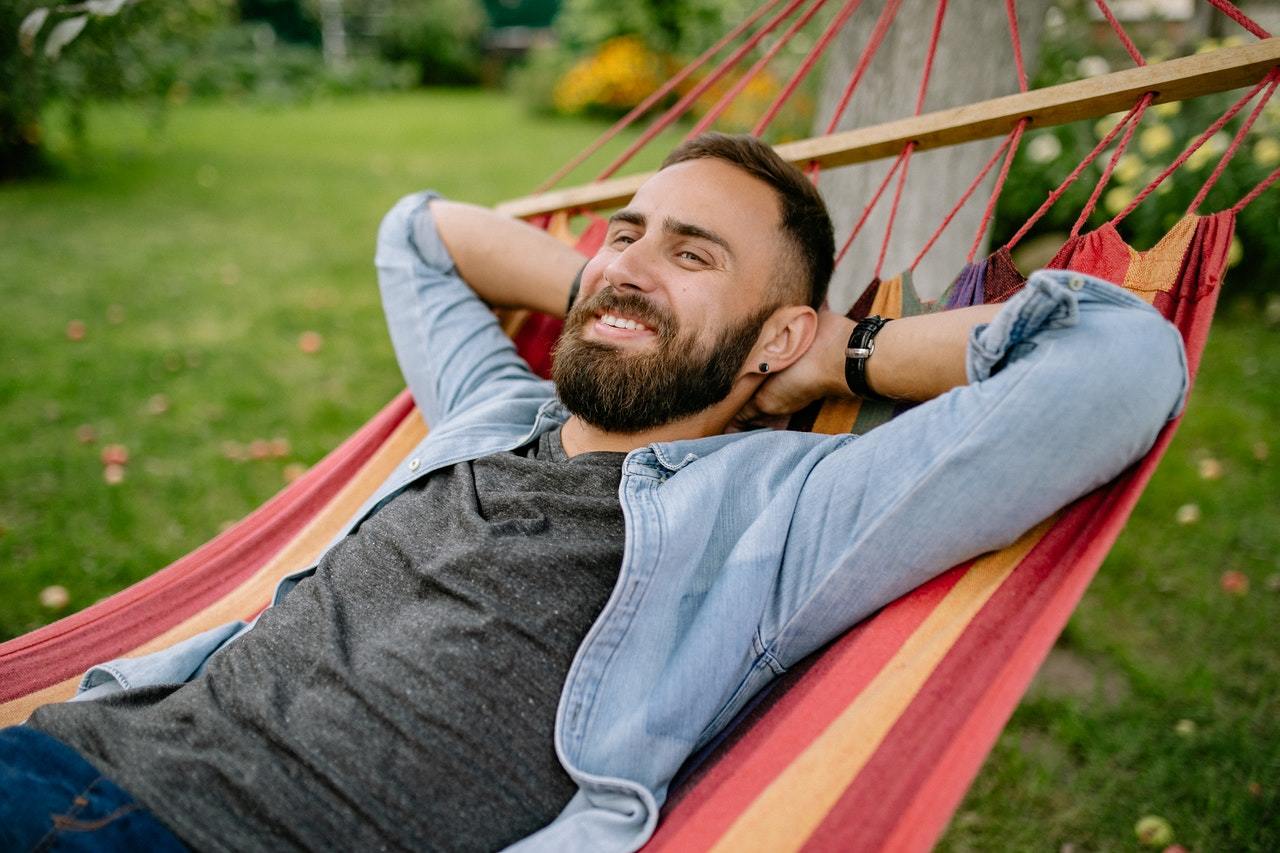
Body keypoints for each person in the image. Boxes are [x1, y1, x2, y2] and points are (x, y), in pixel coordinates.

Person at [1, 133, 1187, 852]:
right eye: (627, 231)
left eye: (692, 252)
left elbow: (1121, 361)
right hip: (71, 758)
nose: (627, 257)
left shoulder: (777, 520)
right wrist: (621, 291)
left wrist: (842, 353)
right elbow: (415, 231)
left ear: (778, 331)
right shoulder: (491, 412)